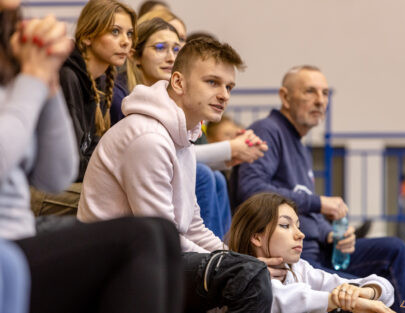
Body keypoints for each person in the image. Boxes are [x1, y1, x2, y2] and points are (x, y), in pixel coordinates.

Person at [0, 1, 183, 312]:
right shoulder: (24, 85)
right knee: (139, 236)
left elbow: (55, 173)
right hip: (8, 248)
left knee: (161, 231)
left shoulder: (15, 81)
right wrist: (32, 79)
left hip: (20, 241)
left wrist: (47, 80)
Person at [78, 37, 274, 312]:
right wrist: (235, 266)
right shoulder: (148, 138)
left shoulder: (181, 139)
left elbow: (193, 225)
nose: (224, 95)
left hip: (148, 261)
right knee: (247, 275)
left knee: (251, 272)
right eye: (212, 82)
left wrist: (233, 259)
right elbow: (161, 237)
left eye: (229, 86)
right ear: (179, 82)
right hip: (116, 271)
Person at [232, 65, 405, 312]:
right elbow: (252, 190)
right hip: (302, 257)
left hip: (318, 247)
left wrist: (330, 233)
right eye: (310, 92)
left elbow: (304, 214)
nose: (320, 101)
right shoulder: (267, 130)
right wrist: (319, 203)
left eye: (324, 93)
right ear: (285, 96)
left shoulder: (299, 145)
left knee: (394, 250)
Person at [30, 0, 136, 216]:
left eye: (130, 34)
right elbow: (70, 164)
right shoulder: (67, 76)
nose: (125, 42)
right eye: (115, 32)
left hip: (67, 184)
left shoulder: (99, 81)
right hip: (41, 189)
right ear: (87, 37)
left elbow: (94, 148)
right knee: (126, 202)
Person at [228, 192, 395, 313]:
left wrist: (365, 292)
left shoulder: (299, 268)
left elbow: (385, 289)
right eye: (286, 225)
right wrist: (342, 301)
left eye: (298, 226)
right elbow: (285, 300)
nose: (300, 234)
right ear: (257, 237)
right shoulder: (240, 279)